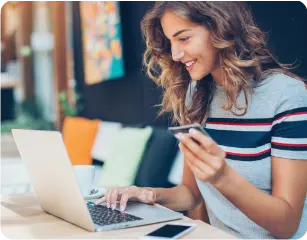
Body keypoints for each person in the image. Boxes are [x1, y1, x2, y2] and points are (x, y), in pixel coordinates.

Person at [95, 0, 307, 239]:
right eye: (170, 41)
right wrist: (146, 194)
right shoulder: (195, 95)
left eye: (183, 38)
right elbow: (190, 193)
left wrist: (223, 177)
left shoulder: (287, 95)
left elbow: (287, 224)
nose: (175, 54)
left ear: (220, 28)